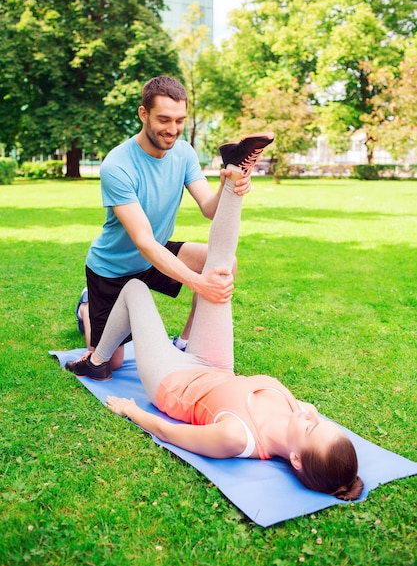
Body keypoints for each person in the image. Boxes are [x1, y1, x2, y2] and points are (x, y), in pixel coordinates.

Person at [66, 161, 364, 500]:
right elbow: (307, 420)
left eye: (313, 426)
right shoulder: (300, 414)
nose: (312, 415)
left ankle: (96, 354)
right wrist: (309, 421)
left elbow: (170, 432)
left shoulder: (237, 438)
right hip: (214, 365)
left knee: (135, 289)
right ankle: (237, 174)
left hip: (172, 380)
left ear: (295, 459)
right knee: (219, 273)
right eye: (321, 421)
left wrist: (131, 410)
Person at [82, 75, 274, 370]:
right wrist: (199, 283)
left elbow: (210, 209)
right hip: (112, 269)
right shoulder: (117, 165)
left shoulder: (183, 152)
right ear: (143, 114)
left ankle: (184, 342)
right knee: (112, 364)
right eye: (164, 120)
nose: (172, 130)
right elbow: (143, 241)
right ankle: (85, 308)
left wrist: (231, 182)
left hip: (154, 255)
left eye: (179, 120)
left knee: (223, 263)